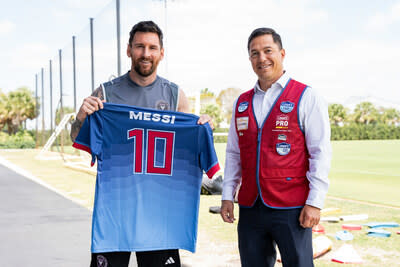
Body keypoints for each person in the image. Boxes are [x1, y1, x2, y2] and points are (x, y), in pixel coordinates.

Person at [70, 21, 214, 267]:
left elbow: (189, 152)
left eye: (152, 47)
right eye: (139, 47)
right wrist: (82, 116)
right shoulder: (105, 93)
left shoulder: (175, 94)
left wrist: (201, 129)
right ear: (129, 50)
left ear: (161, 53)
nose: (145, 54)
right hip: (116, 213)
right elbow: (76, 137)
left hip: (160, 216)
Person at [220, 27, 331, 267]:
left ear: (282, 53)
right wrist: (228, 196)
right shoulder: (242, 102)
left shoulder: (306, 96)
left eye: (267, 50)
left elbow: (320, 152)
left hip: (292, 208)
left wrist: (315, 202)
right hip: (250, 207)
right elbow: (233, 154)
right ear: (249, 59)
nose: (262, 58)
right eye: (254, 53)